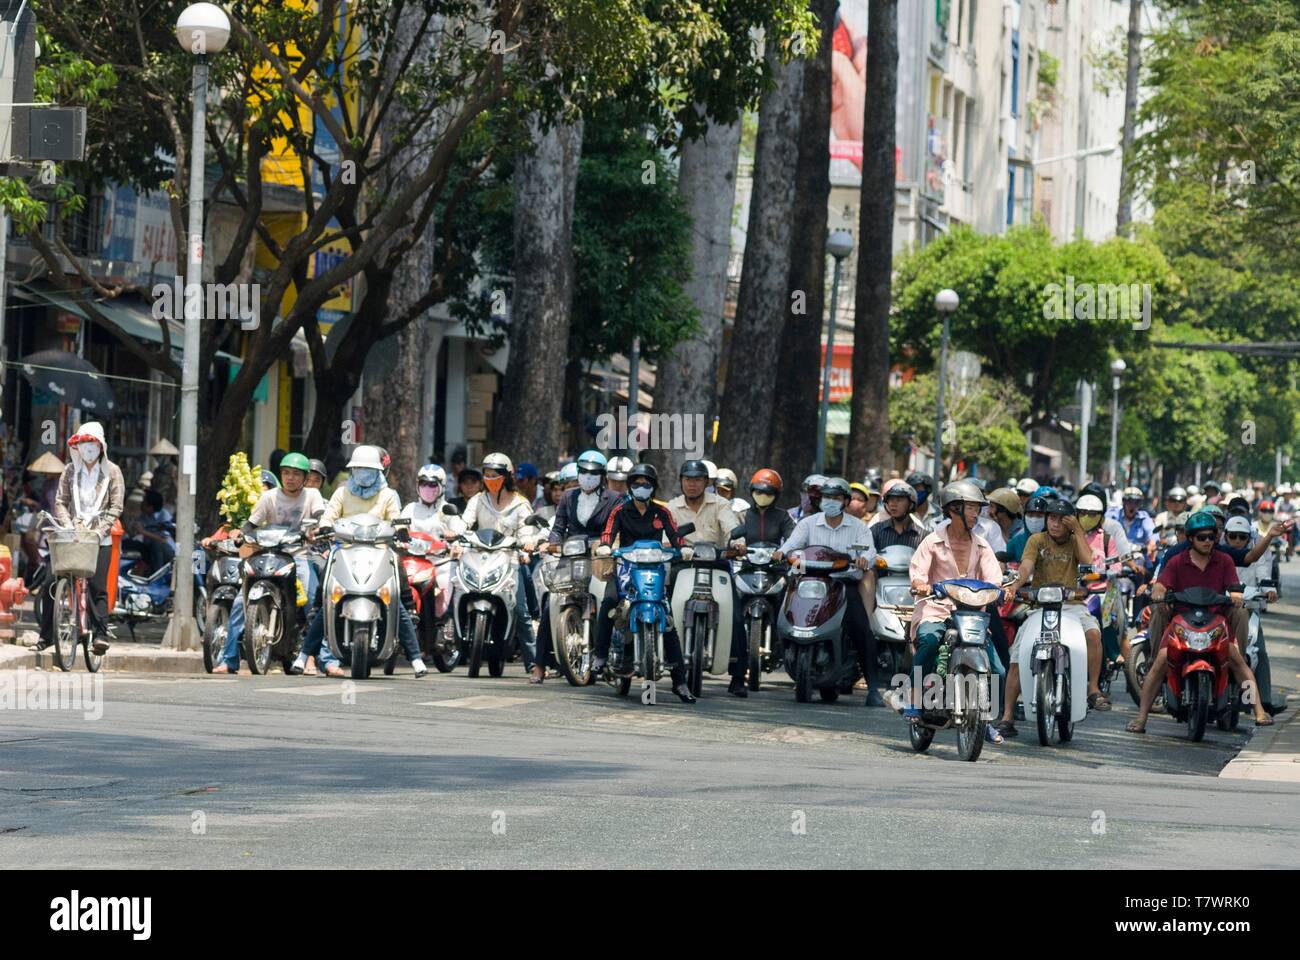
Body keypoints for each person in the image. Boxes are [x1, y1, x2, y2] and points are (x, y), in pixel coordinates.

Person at [1126, 511, 1274, 732]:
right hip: (1181, 622)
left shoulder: (1223, 560)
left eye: (1211, 537)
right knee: (1160, 662)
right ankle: (1141, 718)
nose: (1207, 541)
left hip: (1216, 621)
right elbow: (1161, 584)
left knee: (1238, 660)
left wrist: (1235, 595)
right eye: (1202, 537)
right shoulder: (1176, 561)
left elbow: (1234, 584)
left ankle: (1259, 710)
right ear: (1191, 538)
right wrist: (1158, 591)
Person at [294, 445, 427, 678]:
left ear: (378, 472)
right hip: (345, 551)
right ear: (352, 470)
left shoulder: (387, 495)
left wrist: (402, 529)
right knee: (326, 598)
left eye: (369, 469)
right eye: (359, 469)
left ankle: (415, 657)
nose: (364, 473)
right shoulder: (342, 492)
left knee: (394, 594)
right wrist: (325, 525)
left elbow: (396, 519)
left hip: (379, 551)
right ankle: (304, 655)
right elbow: (329, 514)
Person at [995, 500, 1108, 738]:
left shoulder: (1075, 539)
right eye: (1051, 518)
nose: (1055, 524)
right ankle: (1006, 717)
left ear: (1070, 521)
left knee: (1094, 633)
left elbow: (1088, 562)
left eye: (1061, 519)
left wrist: (1077, 530)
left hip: (1072, 606)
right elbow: (1026, 566)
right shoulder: (1037, 540)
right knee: (1018, 654)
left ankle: (1093, 688)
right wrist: (1016, 584)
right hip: (1040, 606)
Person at [905, 480, 1005, 742]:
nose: (976, 514)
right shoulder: (932, 542)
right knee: (928, 642)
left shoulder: (983, 546)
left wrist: (1000, 591)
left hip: (971, 616)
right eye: (971, 508)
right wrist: (921, 584)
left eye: (977, 509)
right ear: (953, 509)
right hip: (936, 610)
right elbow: (917, 573)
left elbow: (995, 579)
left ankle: (984, 719)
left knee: (999, 670)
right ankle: (915, 699)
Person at [214, 453, 326, 674]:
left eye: (296, 474)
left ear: (304, 478)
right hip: (269, 554)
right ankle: (229, 659)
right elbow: (251, 523)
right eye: (286, 473)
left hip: (298, 556)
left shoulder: (312, 495)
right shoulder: (269, 497)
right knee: (239, 603)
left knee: (314, 602)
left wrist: (316, 529)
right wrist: (240, 534)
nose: (290, 478)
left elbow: (321, 517)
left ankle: (319, 658)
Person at [776, 477, 883, 706]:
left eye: (836, 498)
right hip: (809, 580)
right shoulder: (808, 523)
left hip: (843, 583)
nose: (830, 502)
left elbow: (870, 552)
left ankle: (873, 688)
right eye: (827, 497)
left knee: (861, 628)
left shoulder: (858, 527)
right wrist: (781, 552)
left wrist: (865, 559)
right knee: (785, 614)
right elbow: (792, 544)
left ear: (845, 501)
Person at [596, 463, 696, 703]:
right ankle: (599, 656)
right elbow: (608, 533)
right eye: (637, 484)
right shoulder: (620, 511)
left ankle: (680, 681)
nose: (642, 488)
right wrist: (606, 546)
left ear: (654, 487)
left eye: (647, 484)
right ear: (630, 487)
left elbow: (675, 535)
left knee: (668, 618)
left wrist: (683, 548)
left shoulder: (662, 513)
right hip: (626, 567)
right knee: (610, 601)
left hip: (654, 569)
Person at [533, 449, 623, 683]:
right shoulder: (568, 496)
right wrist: (551, 544)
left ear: (602, 475)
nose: (587, 476)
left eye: (593, 473)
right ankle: (539, 665)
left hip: (600, 558)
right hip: (570, 556)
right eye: (583, 471)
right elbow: (558, 527)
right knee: (550, 604)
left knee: (608, 602)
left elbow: (618, 527)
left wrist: (609, 545)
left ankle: (613, 657)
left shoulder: (613, 498)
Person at [37, 423, 125, 656]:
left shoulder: (113, 471)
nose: (87, 448)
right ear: (77, 446)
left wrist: (100, 529)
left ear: (100, 446)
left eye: (92, 443)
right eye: (83, 443)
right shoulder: (69, 471)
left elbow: (116, 506)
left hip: (99, 536)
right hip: (72, 534)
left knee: (97, 586)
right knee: (50, 582)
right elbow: (60, 502)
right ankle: (46, 635)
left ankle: (101, 634)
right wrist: (67, 525)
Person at [667, 459, 748, 696]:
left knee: (734, 615)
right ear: (681, 481)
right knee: (666, 611)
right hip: (683, 564)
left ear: (706, 483)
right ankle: (662, 660)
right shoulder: (672, 506)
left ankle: (738, 675)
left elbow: (731, 527)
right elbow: (664, 531)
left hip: (718, 563)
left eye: (697, 480)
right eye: (688, 479)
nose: (692, 484)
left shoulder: (720, 504)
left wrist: (738, 543)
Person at [459, 452, 539, 679]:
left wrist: (528, 542)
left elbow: (527, 529)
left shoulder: (521, 504)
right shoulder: (478, 500)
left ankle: (533, 662)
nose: (490, 479)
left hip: (510, 560)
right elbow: (464, 522)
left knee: (521, 610)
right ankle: (451, 640)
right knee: (458, 590)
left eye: (495, 475)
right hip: (478, 558)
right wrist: (455, 533)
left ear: (507, 477)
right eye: (487, 475)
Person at [399, 463, 463, 538]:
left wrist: (453, 534)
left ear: (442, 486)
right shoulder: (410, 509)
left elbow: (459, 531)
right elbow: (399, 528)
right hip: (412, 549)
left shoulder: (447, 510)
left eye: (432, 484)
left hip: (441, 549)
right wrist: (401, 532)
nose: (427, 488)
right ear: (417, 485)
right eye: (423, 483)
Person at [124, 488, 176, 577]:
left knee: (157, 544)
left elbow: (164, 540)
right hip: (150, 549)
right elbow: (134, 534)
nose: (141, 504)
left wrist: (143, 531)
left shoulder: (164, 516)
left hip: (167, 552)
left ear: (150, 507)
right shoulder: (143, 516)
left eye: (144, 502)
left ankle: (157, 575)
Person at [870, 482, 924, 550]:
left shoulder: (922, 535)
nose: (893, 504)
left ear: (911, 504)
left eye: (899, 500)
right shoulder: (875, 530)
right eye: (891, 499)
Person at [1005, 494, 1048, 564]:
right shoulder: (1016, 541)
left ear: (1047, 518)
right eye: (1030, 515)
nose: (1034, 520)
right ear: (1024, 517)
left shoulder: (1054, 541)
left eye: (1039, 516)